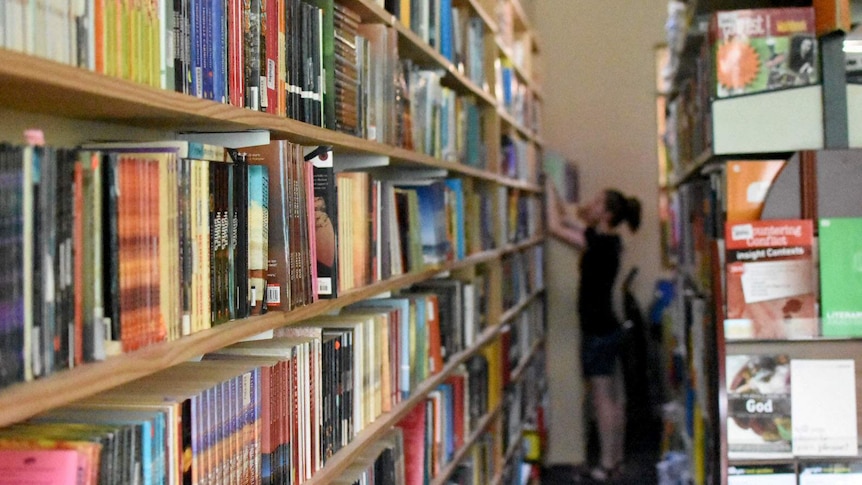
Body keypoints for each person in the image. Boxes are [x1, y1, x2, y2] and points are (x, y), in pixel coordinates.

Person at [546, 182, 642, 483]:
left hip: (598, 330)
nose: (591, 204)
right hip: (608, 327)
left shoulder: (597, 243)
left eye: (598, 202)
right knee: (613, 397)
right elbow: (563, 217)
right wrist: (556, 195)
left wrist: (544, 184)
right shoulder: (607, 240)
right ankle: (616, 460)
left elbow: (553, 225)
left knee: (603, 400)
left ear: (607, 214)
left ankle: (605, 465)